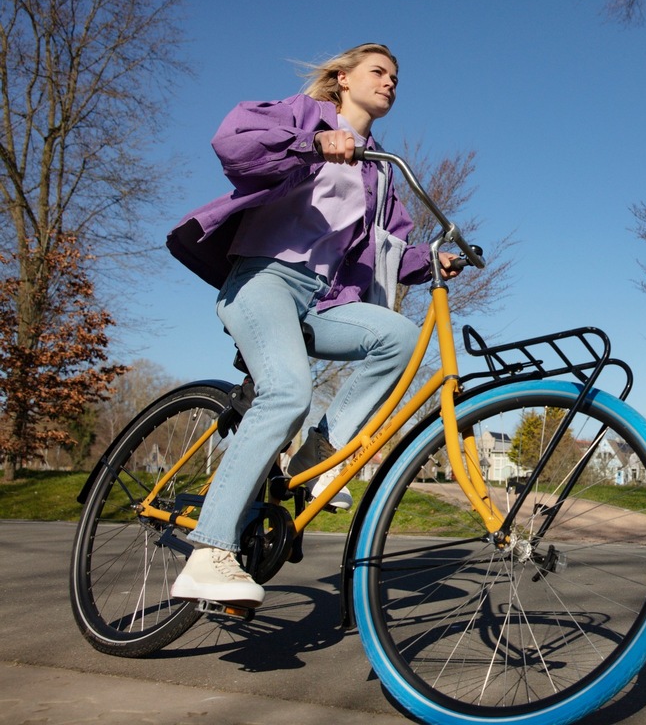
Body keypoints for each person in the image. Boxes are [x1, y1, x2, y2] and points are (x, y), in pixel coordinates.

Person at [164, 44, 459, 607]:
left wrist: (432, 259)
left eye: (397, 77)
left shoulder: (379, 172)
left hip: (319, 300)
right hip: (262, 280)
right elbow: (234, 142)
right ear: (343, 79)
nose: (390, 82)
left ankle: (319, 452)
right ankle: (208, 553)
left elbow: (384, 254)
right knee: (288, 392)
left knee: (398, 337)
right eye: (379, 72)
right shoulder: (304, 116)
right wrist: (313, 144)